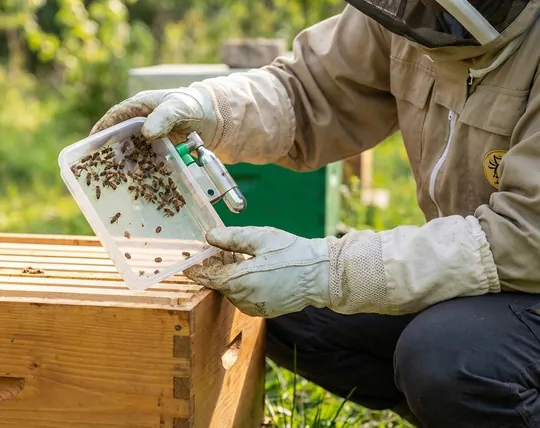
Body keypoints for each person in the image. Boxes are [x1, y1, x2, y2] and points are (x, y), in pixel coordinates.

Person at [90, 0, 540, 426]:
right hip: (475, 272)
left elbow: (525, 236)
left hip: (527, 272)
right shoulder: (410, 11)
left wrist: (329, 270)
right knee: (274, 304)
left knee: (447, 359)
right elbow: (308, 90)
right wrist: (210, 109)